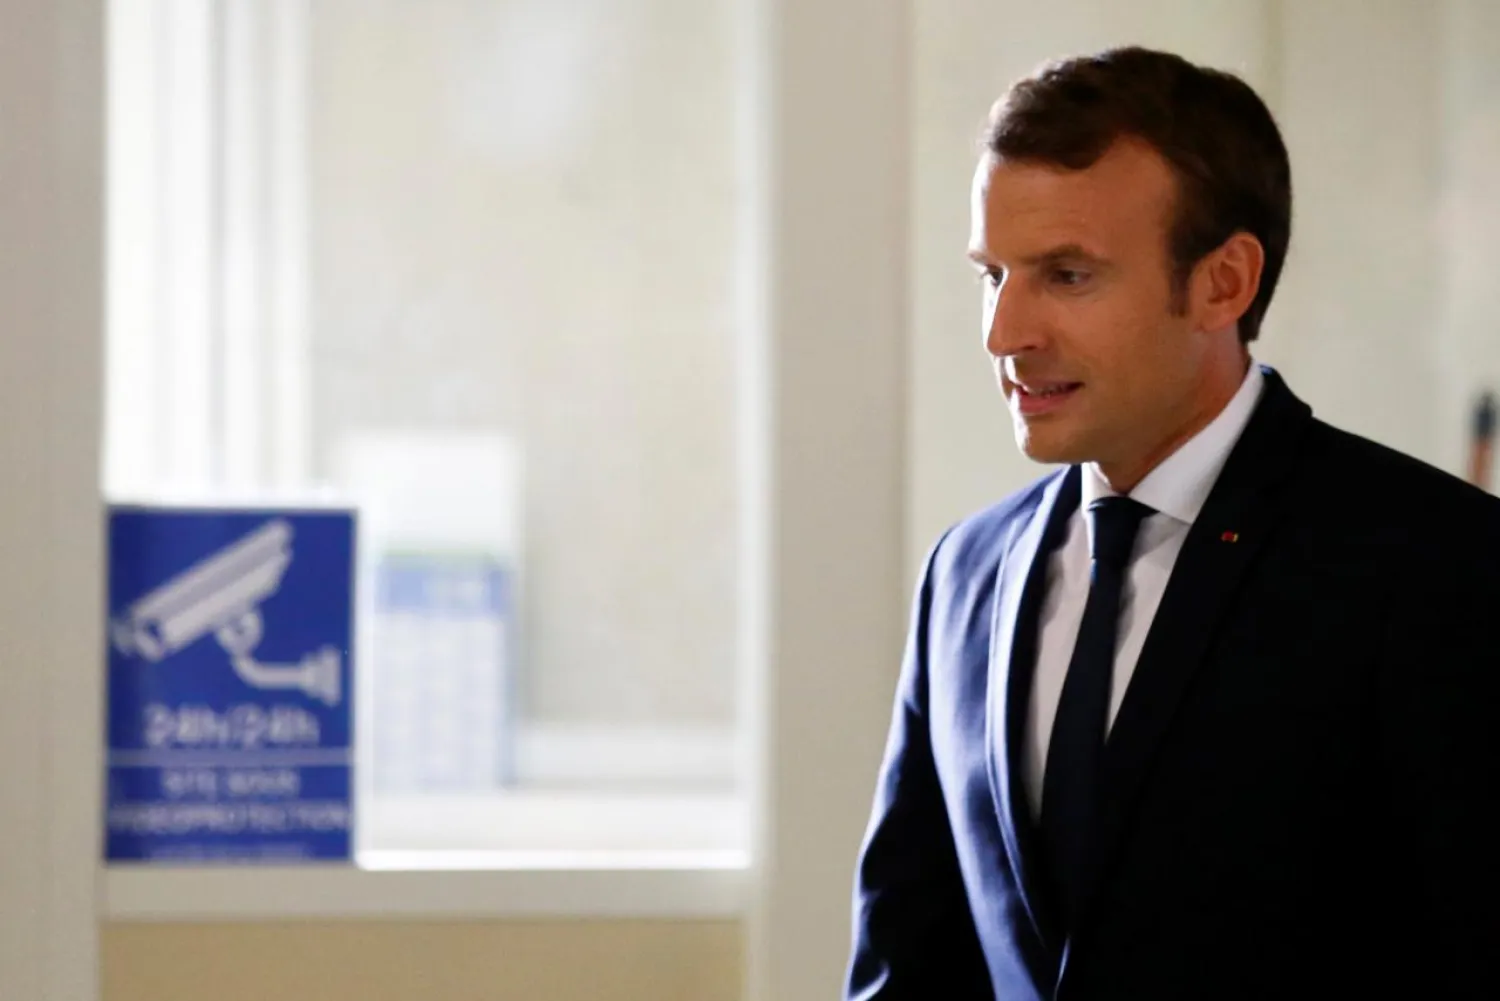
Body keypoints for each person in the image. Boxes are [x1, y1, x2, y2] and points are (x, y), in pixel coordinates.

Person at [846, 47, 1500, 1001]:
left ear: (1225, 283)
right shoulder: (965, 574)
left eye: (1066, 275)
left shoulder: (1440, 565)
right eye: (994, 275)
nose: (1004, 332)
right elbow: (910, 964)